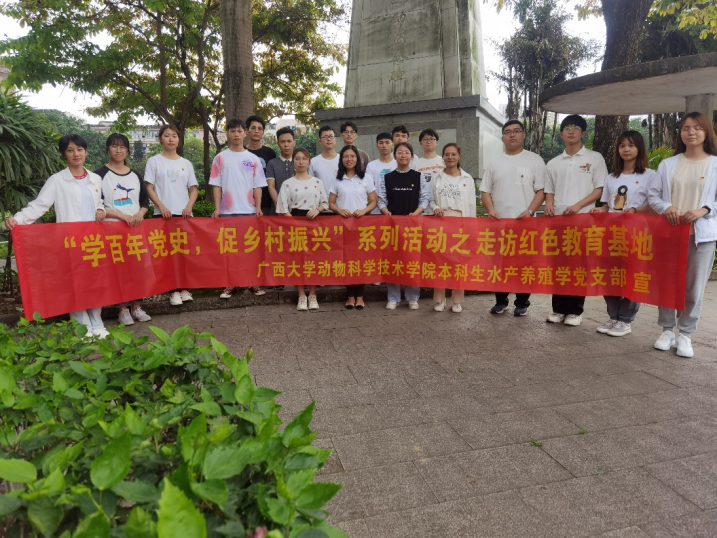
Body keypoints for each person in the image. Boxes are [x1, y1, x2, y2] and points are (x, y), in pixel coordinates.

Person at [4, 134, 109, 338]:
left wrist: (101, 209)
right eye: (70, 150)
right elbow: (40, 205)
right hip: (70, 240)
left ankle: (97, 322)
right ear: (63, 154)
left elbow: (98, 202)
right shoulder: (57, 180)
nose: (76, 154)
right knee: (75, 283)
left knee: (94, 282)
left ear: (86, 152)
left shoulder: (95, 179)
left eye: (79, 149)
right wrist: (18, 219)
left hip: (92, 241)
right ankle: (82, 326)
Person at [648, 111, 717, 358]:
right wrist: (666, 207)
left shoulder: (715, 164)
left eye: (697, 127)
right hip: (670, 235)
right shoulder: (668, 164)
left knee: (694, 287)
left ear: (706, 131)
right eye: (686, 128)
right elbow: (653, 195)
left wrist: (704, 210)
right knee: (667, 283)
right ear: (681, 133)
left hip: (701, 237)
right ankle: (667, 331)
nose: (691, 132)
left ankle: (685, 334)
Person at [591, 131, 656, 338]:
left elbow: (656, 205)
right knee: (609, 275)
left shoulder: (650, 175)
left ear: (639, 148)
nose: (626, 149)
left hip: (637, 234)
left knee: (633, 275)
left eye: (631, 145)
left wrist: (636, 210)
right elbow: (607, 205)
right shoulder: (612, 177)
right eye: (622, 146)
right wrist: (600, 210)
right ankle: (613, 316)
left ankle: (625, 319)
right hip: (612, 234)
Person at [544, 114, 607, 326]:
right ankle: (558, 309)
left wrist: (578, 206)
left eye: (576, 127)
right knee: (558, 265)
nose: (571, 131)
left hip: (584, 220)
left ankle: (575, 311)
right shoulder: (553, 163)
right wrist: (549, 204)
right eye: (567, 127)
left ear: (583, 133)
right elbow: (549, 190)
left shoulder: (595, 158)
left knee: (579, 265)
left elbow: (599, 189)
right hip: (558, 221)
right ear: (561, 134)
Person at [480, 119, 546, 316]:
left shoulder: (534, 160)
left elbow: (541, 190)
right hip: (499, 223)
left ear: (523, 135)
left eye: (516, 131)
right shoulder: (495, 162)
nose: (512, 135)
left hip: (524, 222)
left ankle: (522, 302)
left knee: (524, 264)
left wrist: (530, 211)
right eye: (508, 132)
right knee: (499, 263)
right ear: (502, 137)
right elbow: (485, 190)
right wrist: (490, 209)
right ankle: (501, 301)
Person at [96, 133, 152, 326]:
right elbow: (97, 205)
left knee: (137, 269)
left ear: (127, 151)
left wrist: (140, 214)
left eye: (122, 147)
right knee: (117, 270)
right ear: (108, 149)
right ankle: (122, 309)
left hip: (135, 230)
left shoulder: (135, 175)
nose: (118, 150)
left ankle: (137, 306)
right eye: (114, 146)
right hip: (111, 230)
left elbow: (145, 202)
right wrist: (121, 216)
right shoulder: (99, 175)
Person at [209, 118, 267, 299]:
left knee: (250, 249)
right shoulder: (220, 158)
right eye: (233, 131)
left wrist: (258, 207)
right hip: (227, 212)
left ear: (245, 133)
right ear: (228, 133)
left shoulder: (253, 159)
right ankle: (230, 284)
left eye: (239, 131)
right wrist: (217, 208)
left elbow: (258, 186)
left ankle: (252, 282)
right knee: (229, 250)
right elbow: (216, 185)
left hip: (249, 211)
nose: (236, 134)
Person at [145, 124, 199, 306]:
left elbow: (193, 189)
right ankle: (172, 290)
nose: (171, 139)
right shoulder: (154, 161)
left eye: (174, 136)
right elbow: (149, 187)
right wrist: (161, 207)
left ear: (179, 139)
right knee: (166, 255)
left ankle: (184, 288)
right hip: (162, 216)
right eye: (167, 135)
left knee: (184, 254)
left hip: (184, 216)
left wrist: (189, 206)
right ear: (161, 139)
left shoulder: (186, 163)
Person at [379, 141, 432, 310]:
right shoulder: (387, 178)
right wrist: (386, 212)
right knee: (392, 260)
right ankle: (393, 297)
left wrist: (416, 214)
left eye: (407, 152)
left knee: (412, 260)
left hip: (413, 226)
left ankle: (413, 297)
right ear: (394, 155)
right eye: (400, 152)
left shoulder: (418, 176)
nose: (403, 155)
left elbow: (425, 198)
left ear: (411, 156)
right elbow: (381, 200)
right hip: (392, 227)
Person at [276, 148, 329, 311]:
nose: (301, 162)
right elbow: (282, 208)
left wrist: (317, 210)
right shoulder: (287, 184)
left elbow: (325, 203)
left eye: (304, 159)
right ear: (293, 162)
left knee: (313, 260)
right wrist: (295, 223)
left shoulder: (317, 182)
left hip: (314, 223)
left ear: (309, 161)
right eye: (297, 159)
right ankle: (301, 295)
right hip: (294, 224)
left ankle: (312, 294)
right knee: (297, 261)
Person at [329, 145, 378, 310]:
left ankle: (360, 296)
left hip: (362, 226)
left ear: (357, 159)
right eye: (345, 156)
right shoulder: (337, 178)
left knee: (361, 261)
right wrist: (339, 210)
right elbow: (331, 203)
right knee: (347, 261)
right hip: (344, 226)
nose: (349, 159)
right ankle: (350, 296)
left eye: (352, 156)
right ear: (341, 159)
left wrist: (364, 210)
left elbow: (374, 201)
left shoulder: (366, 178)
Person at [429, 143, 476, 313]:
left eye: (453, 154)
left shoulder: (467, 179)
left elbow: (471, 204)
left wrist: (471, 227)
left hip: (461, 222)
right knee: (440, 261)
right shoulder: (436, 177)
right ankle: (439, 300)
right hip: (441, 222)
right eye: (447, 154)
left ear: (459, 156)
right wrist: (435, 208)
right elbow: (430, 199)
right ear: (443, 157)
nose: (450, 157)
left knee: (459, 262)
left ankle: (456, 301)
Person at [246, 115, 277, 218]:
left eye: (260, 129)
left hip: (266, 204)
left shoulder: (270, 153)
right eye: (253, 128)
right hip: (244, 204)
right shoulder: (241, 152)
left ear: (263, 132)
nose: (256, 131)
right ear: (247, 131)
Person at [365, 132, 396, 215]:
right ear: (377, 146)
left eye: (387, 142)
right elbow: (369, 187)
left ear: (392, 145)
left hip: (395, 206)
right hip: (376, 209)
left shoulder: (398, 164)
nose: (384, 145)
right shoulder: (371, 165)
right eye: (381, 143)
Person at [266, 127, 296, 215]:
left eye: (289, 141)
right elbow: (271, 186)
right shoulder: (272, 163)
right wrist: (281, 206)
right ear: (278, 144)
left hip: (297, 209)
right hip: (277, 211)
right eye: (282, 141)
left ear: (294, 142)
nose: (286, 145)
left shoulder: (300, 163)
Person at [309, 125, 340, 203]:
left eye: (331, 136)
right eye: (325, 137)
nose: (328, 139)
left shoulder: (343, 160)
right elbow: (310, 185)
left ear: (335, 140)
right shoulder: (313, 162)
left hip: (341, 206)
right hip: (321, 205)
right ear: (320, 141)